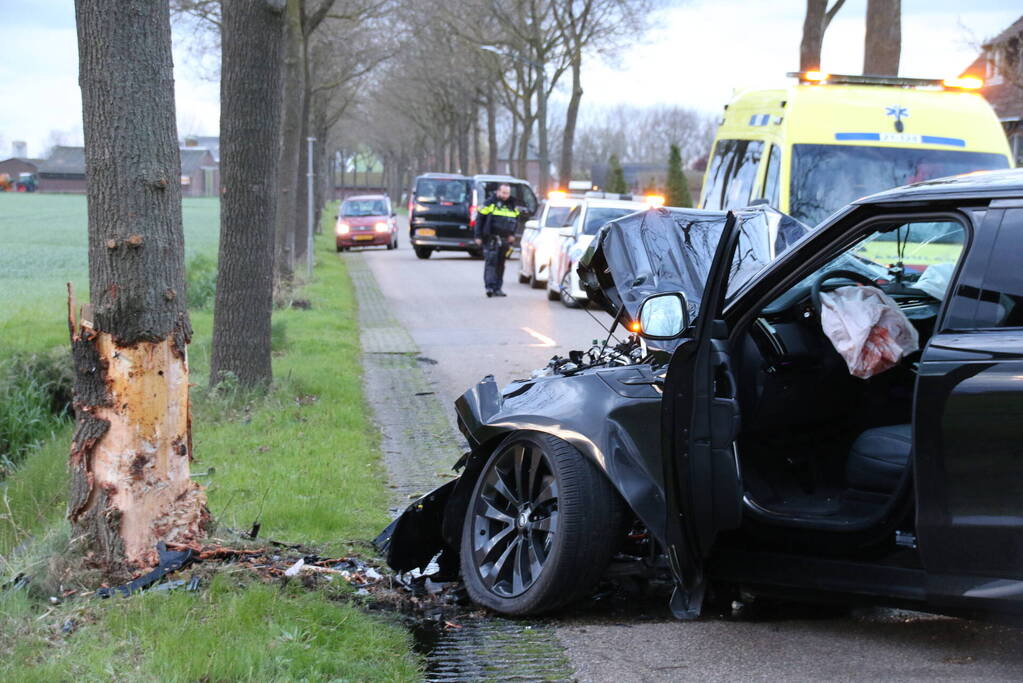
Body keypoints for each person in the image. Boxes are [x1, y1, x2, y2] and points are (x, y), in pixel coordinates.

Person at [474, 183, 521, 297]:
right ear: (498, 192)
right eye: (503, 193)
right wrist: (478, 236)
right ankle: (490, 287)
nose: (505, 195)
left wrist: (512, 234)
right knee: (491, 263)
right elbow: (479, 220)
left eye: (507, 193)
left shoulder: (512, 205)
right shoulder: (490, 203)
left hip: (505, 239)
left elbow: (516, 221)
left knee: (501, 264)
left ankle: (498, 288)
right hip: (491, 238)